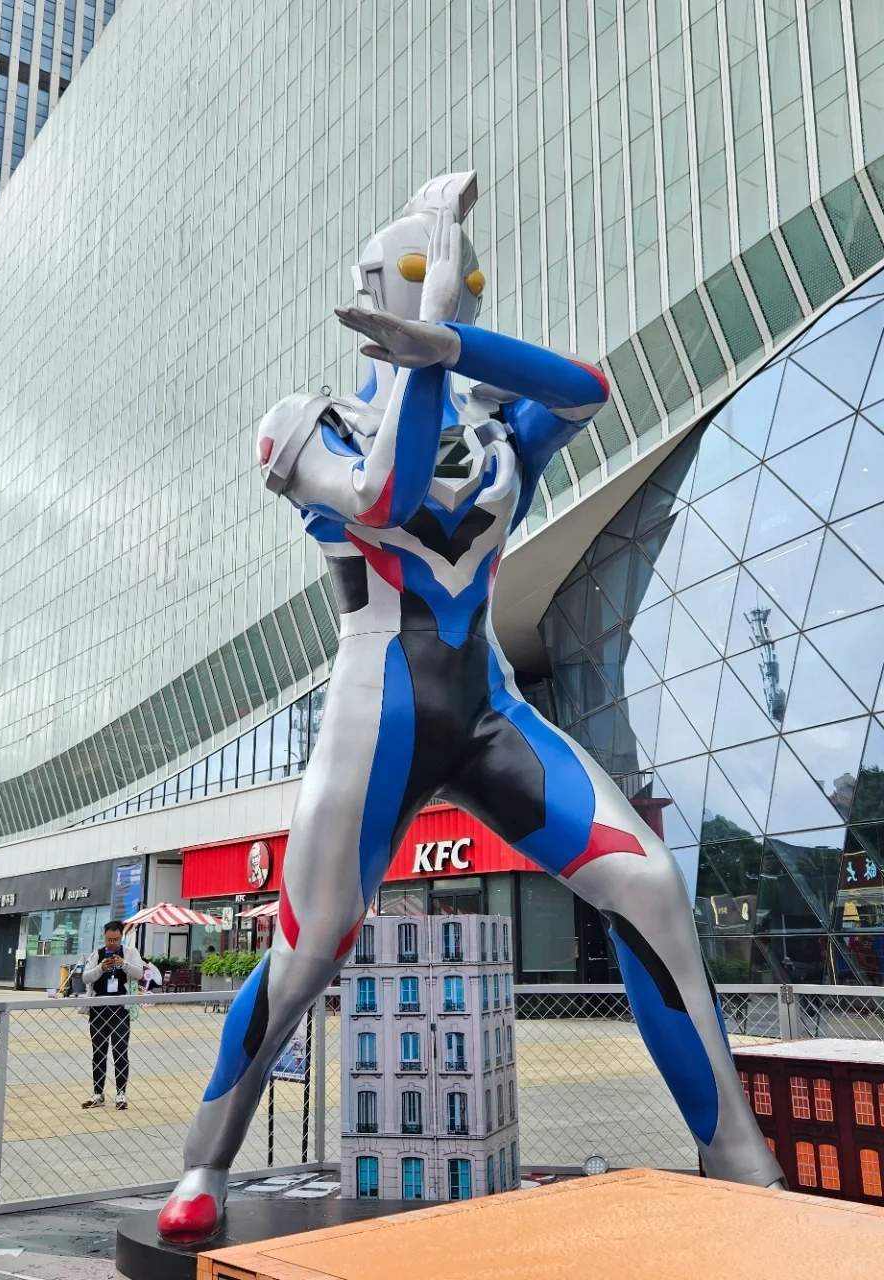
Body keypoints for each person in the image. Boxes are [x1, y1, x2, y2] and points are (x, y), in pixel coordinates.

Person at [158, 171, 784, 1242]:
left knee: (648, 885)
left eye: (458, 277)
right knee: (308, 953)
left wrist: (451, 347)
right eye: (422, 270)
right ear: (375, 286)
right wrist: (421, 357)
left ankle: (736, 1154)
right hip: (377, 718)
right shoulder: (310, 424)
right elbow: (382, 498)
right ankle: (203, 1161)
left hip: (489, 709)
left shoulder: (495, 431)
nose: (449, 283)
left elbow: (586, 388)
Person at [81, 920, 144, 1111]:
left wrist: (123, 964)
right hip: (99, 1009)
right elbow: (85, 977)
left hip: (121, 1009)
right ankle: (97, 1093)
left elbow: (139, 973)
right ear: (104, 937)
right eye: (109, 939)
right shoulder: (97, 954)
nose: (112, 943)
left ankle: (121, 1094)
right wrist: (100, 968)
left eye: (116, 939)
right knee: (98, 1052)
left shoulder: (130, 952)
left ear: (121, 937)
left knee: (120, 1051)